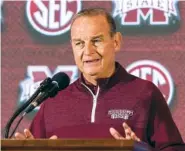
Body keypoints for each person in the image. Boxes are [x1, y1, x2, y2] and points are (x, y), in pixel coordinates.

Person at [15, 8, 185, 150]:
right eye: (79, 43)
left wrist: (141, 150)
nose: (88, 51)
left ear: (116, 41)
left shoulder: (145, 93)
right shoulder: (54, 101)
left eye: (96, 41)